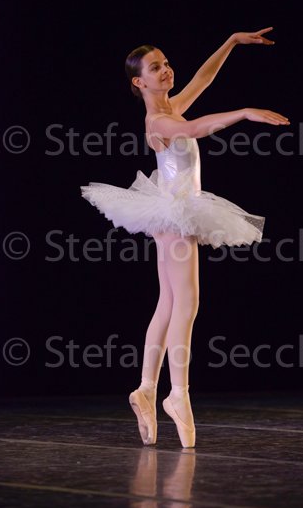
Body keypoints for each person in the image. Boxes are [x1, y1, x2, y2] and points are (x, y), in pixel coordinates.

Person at [80, 28, 289, 448]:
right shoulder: (160, 120)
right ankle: (178, 394)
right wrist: (244, 112)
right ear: (139, 82)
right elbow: (194, 129)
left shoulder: (170, 108)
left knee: (169, 303)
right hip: (175, 216)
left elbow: (202, 80)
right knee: (187, 304)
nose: (166, 70)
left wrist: (231, 42)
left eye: (165, 63)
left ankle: (146, 388)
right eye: (155, 68)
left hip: (173, 214)